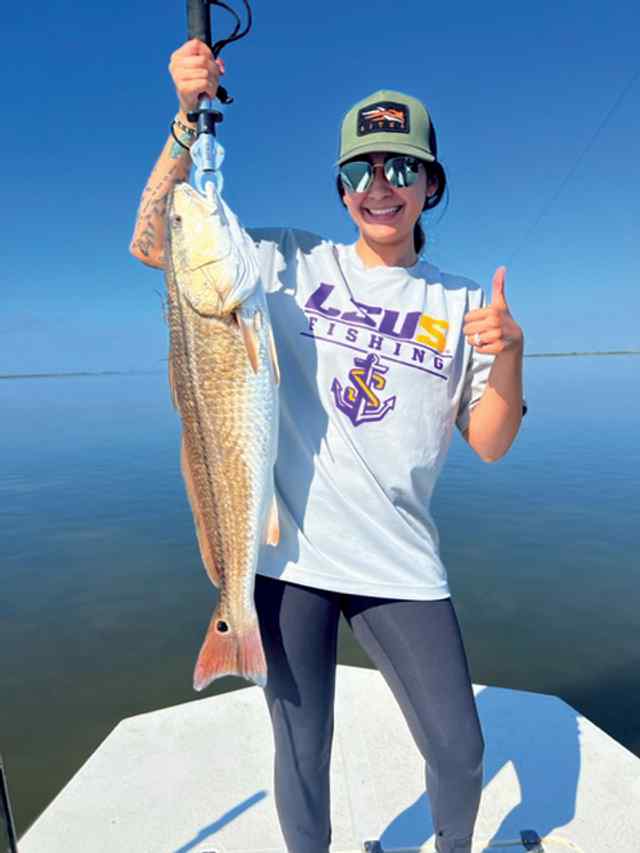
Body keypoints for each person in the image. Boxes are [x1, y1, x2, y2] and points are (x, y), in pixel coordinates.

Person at [130, 38, 527, 853]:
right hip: (286, 565)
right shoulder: (280, 262)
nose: (379, 188)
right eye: (359, 171)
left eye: (400, 168)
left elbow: (489, 441)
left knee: (460, 751)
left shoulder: (458, 302)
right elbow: (154, 242)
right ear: (341, 189)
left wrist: (511, 353)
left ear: (431, 184)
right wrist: (183, 122)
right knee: (303, 755)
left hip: (401, 565)